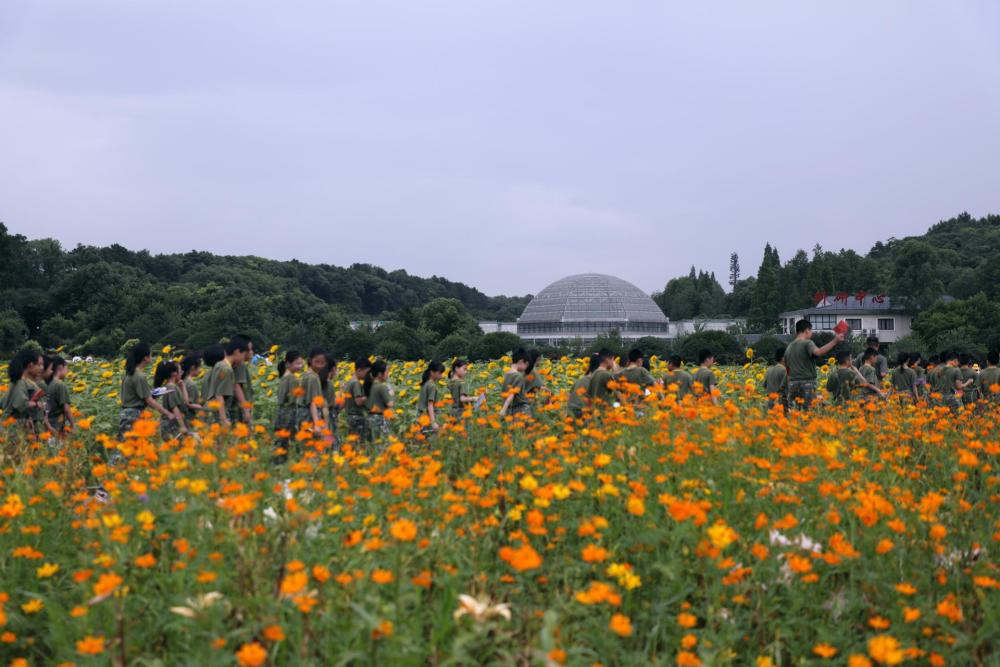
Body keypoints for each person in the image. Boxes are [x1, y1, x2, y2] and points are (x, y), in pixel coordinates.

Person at [784, 319, 845, 411]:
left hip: (792, 384)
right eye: (811, 331)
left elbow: (787, 370)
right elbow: (818, 352)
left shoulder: (789, 347)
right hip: (807, 383)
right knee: (808, 413)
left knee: (795, 413)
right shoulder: (807, 343)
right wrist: (835, 341)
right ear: (807, 330)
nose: (811, 333)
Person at [120, 342, 175, 438]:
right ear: (145, 357)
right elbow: (148, 400)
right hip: (134, 414)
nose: (152, 357)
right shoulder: (140, 376)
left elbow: (138, 396)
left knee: (127, 445)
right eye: (150, 354)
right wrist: (167, 413)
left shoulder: (129, 373)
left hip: (126, 413)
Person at [203, 338, 249, 426]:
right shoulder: (225, 368)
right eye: (243, 354)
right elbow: (219, 395)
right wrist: (224, 419)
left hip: (210, 411)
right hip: (216, 412)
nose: (244, 359)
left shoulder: (218, 366)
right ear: (237, 352)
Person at [3, 348, 46, 436]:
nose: (41, 368)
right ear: (30, 365)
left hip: (11, 425)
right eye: (38, 365)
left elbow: (3, 402)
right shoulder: (20, 382)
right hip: (15, 427)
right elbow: (20, 404)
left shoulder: (16, 382)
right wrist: (37, 404)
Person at [273, 350, 303, 463]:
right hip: (289, 413)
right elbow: (293, 399)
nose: (300, 366)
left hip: (281, 412)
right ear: (288, 364)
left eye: (301, 363)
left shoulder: (284, 377)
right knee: (290, 441)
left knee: (280, 441)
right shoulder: (292, 378)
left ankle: (277, 463)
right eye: (297, 363)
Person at [296, 348, 328, 437]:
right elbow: (313, 402)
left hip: (304, 413)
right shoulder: (312, 377)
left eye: (322, 363)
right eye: (317, 362)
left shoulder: (308, 375)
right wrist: (317, 424)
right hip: (308, 415)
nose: (319, 365)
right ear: (310, 360)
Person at [153, 360, 189, 440]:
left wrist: (183, 387)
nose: (182, 373)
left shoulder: (174, 386)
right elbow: (174, 408)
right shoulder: (171, 387)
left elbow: (186, 402)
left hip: (175, 425)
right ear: (174, 373)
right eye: (180, 371)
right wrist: (183, 428)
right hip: (173, 427)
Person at [365, 359, 395, 444]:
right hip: (380, 420)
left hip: (369, 419)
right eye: (386, 372)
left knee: (372, 446)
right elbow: (390, 404)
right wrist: (391, 394)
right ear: (379, 374)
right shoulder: (382, 387)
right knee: (383, 445)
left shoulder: (368, 385)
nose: (388, 374)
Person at [343, 356, 372, 441]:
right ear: (359, 370)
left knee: (354, 443)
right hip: (357, 418)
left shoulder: (349, 382)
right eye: (367, 372)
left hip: (350, 417)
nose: (368, 375)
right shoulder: (356, 383)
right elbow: (358, 401)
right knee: (360, 444)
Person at [230, 334, 255, 423]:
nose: (251, 352)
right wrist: (245, 409)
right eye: (249, 349)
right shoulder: (240, 365)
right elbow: (237, 386)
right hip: (239, 409)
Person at [46, 356, 73, 436]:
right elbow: (66, 408)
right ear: (60, 367)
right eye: (66, 368)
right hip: (56, 427)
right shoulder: (60, 384)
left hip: (47, 425)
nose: (67, 371)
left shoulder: (48, 383)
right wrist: (73, 425)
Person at [499, 349, 531, 417]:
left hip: (510, 409)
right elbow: (512, 394)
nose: (526, 368)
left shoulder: (507, 374)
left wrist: (504, 408)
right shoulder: (518, 376)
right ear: (521, 361)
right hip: (520, 409)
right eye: (526, 364)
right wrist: (503, 410)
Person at [567, 353, 599, 419]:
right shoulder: (594, 381)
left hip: (570, 415)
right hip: (582, 416)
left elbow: (569, 395)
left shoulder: (581, 379)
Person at [417, 361, 445, 433]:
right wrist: (433, 422)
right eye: (440, 373)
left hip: (421, 417)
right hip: (428, 418)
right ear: (432, 372)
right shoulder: (432, 386)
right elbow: (430, 405)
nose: (442, 376)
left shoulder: (426, 383)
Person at [761, 347, 788, 413]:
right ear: (783, 358)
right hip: (781, 404)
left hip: (769, 402)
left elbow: (764, 385)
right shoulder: (785, 371)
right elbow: (788, 388)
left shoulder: (769, 369)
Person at [200, 344, 225, 411]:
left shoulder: (206, 374)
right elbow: (219, 395)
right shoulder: (222, 373)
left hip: (206, 408)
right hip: (217, 409)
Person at [179, 354, 203, 423]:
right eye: (199, 367)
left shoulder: (183, 380)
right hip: (191, 418)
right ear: (193, 367)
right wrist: (203, 408)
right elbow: (189, 404)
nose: (200, 370)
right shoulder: (191, 384)